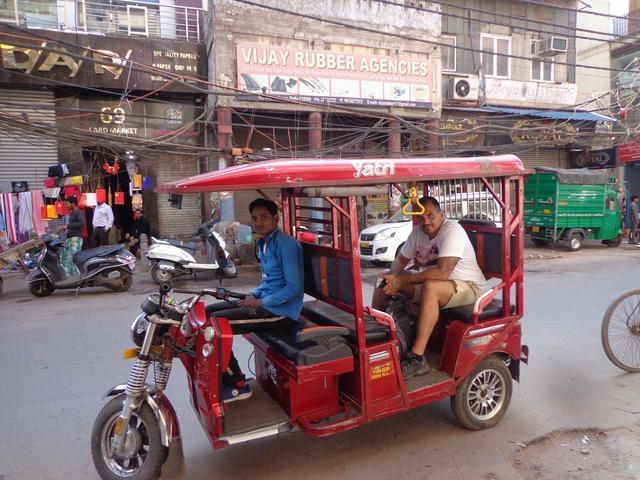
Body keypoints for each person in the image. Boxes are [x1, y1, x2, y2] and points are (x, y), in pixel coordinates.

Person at [372, 196, 485, 380]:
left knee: (431, 287)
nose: (426, 222)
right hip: (433, 285)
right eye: (421, 218)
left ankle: (417, 358)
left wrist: (399, 282)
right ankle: (380, 342)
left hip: (467, 286)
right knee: (382, 279)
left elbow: (441, 274)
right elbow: (399, 261)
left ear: (441, 214)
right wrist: (394, 278)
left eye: (430, 216)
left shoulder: (452, 231)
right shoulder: (417, 232)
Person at [205, 198, 304, 403]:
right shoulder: (264, 243)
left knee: (216, 326)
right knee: (208, 312)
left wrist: (260, 303)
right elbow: (269, 282)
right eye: (254, 218)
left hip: (281, 311)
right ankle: (222, 376)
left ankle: (237, 385)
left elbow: (294, 288)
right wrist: (255, 295)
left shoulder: (285, 244)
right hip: (267, 302)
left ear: (276, 218)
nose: (258, 222)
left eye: (264, 217)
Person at [56, 196, 85, 276]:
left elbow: (81, 223)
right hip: (69, 239)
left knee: (74, 258)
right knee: (66, 259)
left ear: (73, 203)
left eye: (67, 204)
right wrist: (63, 228)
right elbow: (72, 225)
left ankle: (78, 277)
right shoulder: (72, 213)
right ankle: (69, 277)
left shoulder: (80, 212)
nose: (66, 206)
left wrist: (67, 226)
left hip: (76, 238)